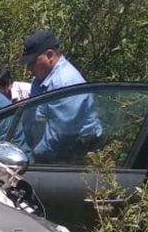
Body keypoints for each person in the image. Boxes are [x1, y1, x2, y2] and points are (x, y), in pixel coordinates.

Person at [19, 29, 102, 162]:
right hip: (50, 150)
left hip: (77, 154)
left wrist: (31, 159)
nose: (28, 68)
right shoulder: (39, 80)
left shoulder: (65, 83)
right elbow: (32, 119)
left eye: (32, 62)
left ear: (49, 55)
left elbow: (59, 136)